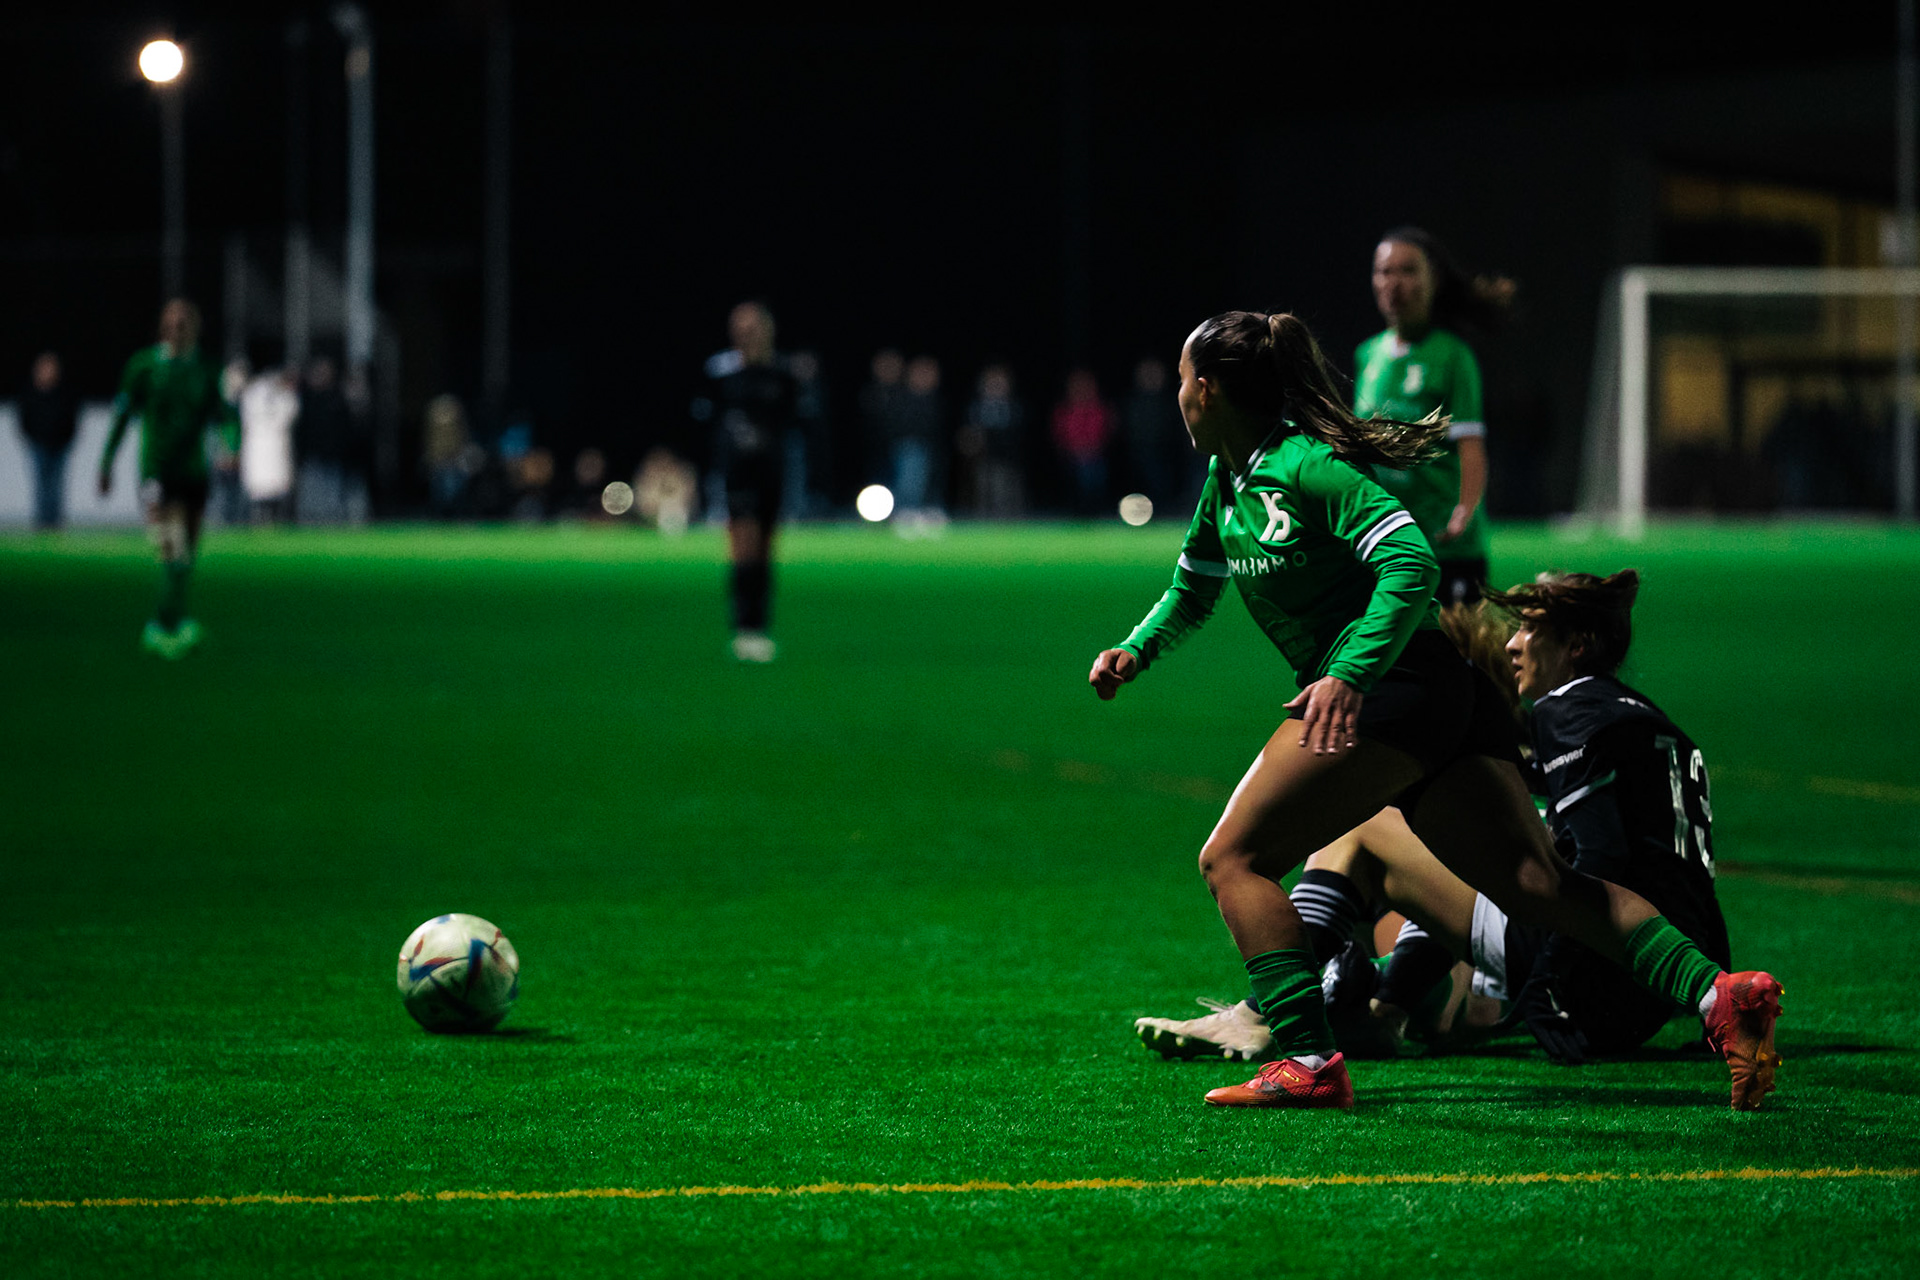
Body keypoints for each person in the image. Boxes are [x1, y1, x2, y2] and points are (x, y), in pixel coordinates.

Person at [1088, 309, 1781, 1111]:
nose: (1178, 394)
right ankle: (1720, 998)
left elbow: (1412, 559)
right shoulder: (1228, 481)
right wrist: (1137, 648)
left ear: (1205, 389)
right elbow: (1193, 589)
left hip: (1398, 687)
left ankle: (1309, 1060)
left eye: (1182, 378)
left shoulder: (1306, 466)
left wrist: (1347, 674)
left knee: (1232, 860)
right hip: (1435, 692)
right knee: (1539, 883)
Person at [1139, 585, 1743, 1070]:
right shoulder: (1652, 723)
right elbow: (1690, 880)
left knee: (1365, 828)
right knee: (1455, 916)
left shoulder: (1569, 708)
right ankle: (1375, 1003)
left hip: (1584, 978)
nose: (1513, 645)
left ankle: (1274, 1013)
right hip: (1645, 989)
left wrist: (1548, 987)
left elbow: (1598, 860)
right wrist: (1706, 990)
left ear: (1579, 645)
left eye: (1531, 629)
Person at [1354, 227, 1511, 606]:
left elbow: (1471, 444)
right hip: (1386, 541)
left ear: (1432, 279)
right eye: (1384, 271)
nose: (1394, 283)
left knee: (1461, 661)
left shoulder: (1453, 356)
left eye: (1407, 271)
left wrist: (1465, 512)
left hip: (1445, 544)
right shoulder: (1368, 355)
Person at [98, 298, 240, 658]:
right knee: (171, 552)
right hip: (157, 472)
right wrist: (106, 462)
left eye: (184, 322)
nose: (177, 328)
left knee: (187, 555)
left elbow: (226, 415)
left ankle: (174, 620)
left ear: (194, 327)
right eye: (172, 323)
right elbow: (122, 416)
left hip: (194, 471)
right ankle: (162, 625)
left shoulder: (207, 369)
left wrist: (230, 446)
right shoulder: (144, 366)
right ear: (163, 327)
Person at [694, 301, 797, 662]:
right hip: (737, 471)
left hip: (771, 469)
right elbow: (704, 421)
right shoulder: (720, 371)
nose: (746, 332)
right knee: (743, 547)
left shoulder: (781, 372)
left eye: (752, 326)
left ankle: (761, 628)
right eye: (740, 326)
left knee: (766, 550)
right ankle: (744, 627)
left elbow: (796, 420)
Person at [19, 351, 78, 530]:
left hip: (60, 445)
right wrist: (32, 438)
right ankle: (42, 523)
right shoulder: (30, 392)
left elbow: (71, 417)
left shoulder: (64, 392)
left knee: (56, 486)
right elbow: (24, 418)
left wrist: (66, 438)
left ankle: (54, 524)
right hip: (39, 445)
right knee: (41, 486)